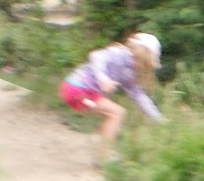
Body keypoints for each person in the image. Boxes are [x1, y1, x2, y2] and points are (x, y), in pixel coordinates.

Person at [59, 31, 165, 163]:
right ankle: (103, 157)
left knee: (113, 114)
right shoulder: (120, 53)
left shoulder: (129, 73)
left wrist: (159, 120)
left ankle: (101, 154)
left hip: (84, 92)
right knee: (117, 113)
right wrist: (103, 79)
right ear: (141, 54)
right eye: (145, 63)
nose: (143, 67)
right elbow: (96, 56)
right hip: (77, 89)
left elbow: (140, 97)